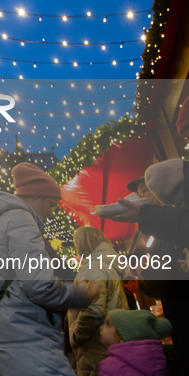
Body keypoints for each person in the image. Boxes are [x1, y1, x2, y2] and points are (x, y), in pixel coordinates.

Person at [0, 162, 96, 376]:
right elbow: (39, 285)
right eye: (51, 204)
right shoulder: (21, 220)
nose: (52, 212)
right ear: (36, 196)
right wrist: (84, 295)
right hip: (26, 340)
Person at [109, 159, 189, 375]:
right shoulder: (163, 226)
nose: (142, 197)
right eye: (140, 193)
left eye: (146, 191)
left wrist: (149, 274)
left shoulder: (171, 222)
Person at [67, 227, 129, 376]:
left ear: (83, 243)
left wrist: (76, 337)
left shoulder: (93, 267)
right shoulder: (105, 263)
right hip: (108, 342)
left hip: (95, 346)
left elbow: (93, 310)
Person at [98, 310, 172, 376]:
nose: (101, 328)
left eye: (108, 325)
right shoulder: (157, 361)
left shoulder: (110, 367)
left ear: (122, 335)